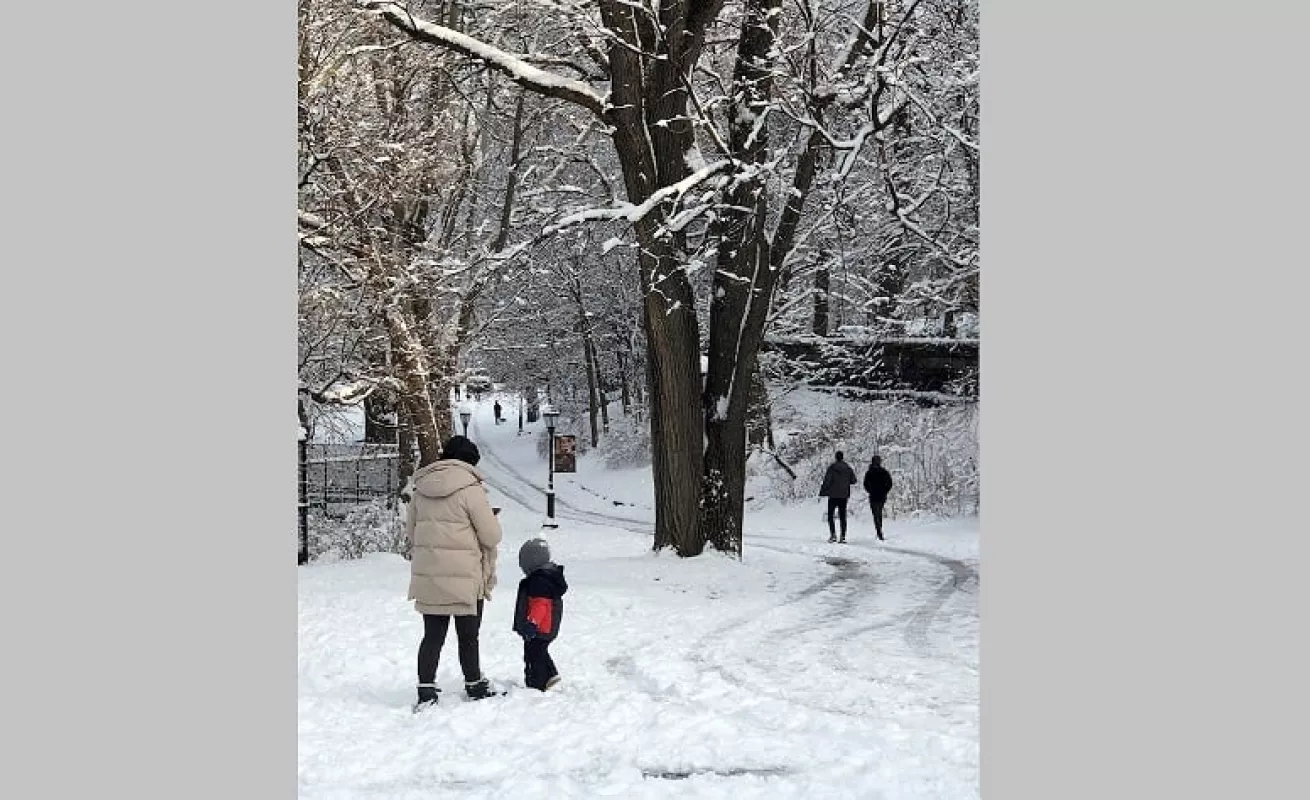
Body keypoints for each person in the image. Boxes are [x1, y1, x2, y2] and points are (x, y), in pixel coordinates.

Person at [404, 435, 503, 712]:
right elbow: (491, 536)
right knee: (468, 635)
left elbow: (412, 532)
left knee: (432, 636)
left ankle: (426, 689)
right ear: (470, 462)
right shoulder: (471, 490)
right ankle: (474, 683)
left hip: (430, 574)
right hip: (464, 574)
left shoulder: (421, 487)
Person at [513, 537, 568, 691]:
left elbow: (540, 605)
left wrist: (532, 623)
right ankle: (551, 675)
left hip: (540, 627)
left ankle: (537, 684)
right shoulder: (545, 577)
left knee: (533, 654)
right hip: (545, 626)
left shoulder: (539, 581)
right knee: (539, 651)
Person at [819, 450, 858, 543]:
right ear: (843, 457)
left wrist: (822, 491)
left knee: (830, 515)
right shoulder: (848, 468)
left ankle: (833, 535)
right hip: (844, 495)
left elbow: (827, 481)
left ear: (836, 457)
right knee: (842, 516)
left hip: (833, 495)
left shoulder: (832, 468)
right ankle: (843, 537)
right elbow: (854, 480)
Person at [863, 455, 894, 541]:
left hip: (873, 496)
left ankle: (879, 531)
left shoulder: (869, 472)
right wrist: (885, 491)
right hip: (882, 496)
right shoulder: (884, 472)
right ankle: (879, 529)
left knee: (875, 514)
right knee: (879, 512)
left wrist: (870, 490)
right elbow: (889, 483)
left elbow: (865, 484)